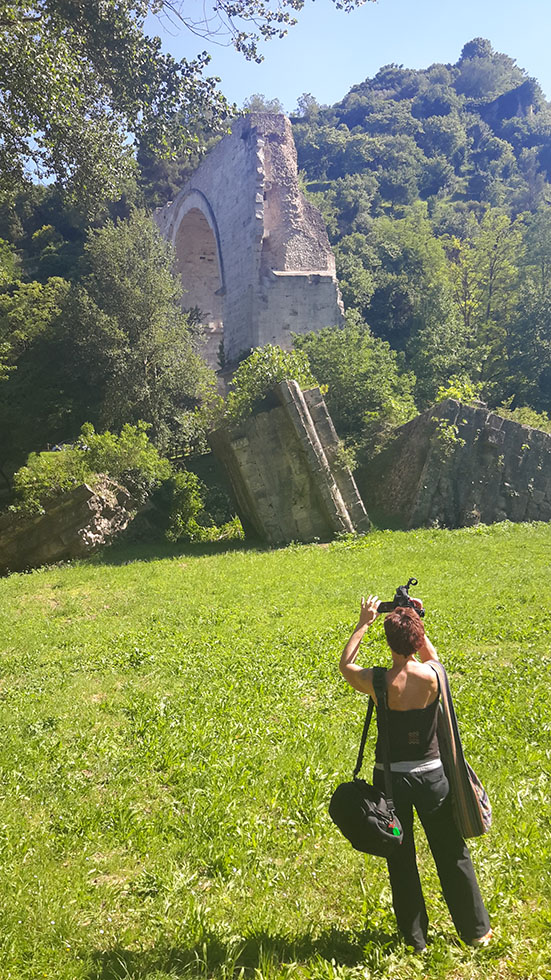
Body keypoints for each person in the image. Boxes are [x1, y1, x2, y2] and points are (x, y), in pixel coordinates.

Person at [339, 595, 492, 952]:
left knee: (400, 858)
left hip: (390, 783)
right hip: (433, 780)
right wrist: (415, 618)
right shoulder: (434, 675)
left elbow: (346, 665)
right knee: (452, 851)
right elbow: (430, 655)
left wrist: (364, 621)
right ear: (417, 639)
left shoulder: (378, 682)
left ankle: (415, 939)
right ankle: (476, 931)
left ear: (390, 643)